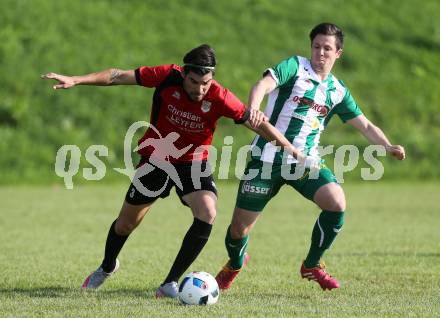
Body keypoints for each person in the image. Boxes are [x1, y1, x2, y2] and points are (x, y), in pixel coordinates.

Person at [41, 44, 311, 298]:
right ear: (184, 74)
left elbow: (258, 125)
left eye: (205, 83)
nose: (200, 89)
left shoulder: (221, 96)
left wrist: (292, 151)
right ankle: (107, 266)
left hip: (192, 164)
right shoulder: (166, 76)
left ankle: (169, 282)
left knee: (207, 212)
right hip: (156, 157)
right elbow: (116, 76)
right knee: (125, 224)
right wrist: (77, 79)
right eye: (194, 82)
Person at [215, 23, 406, 291]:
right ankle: (234, 264)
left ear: (338, 53)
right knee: (238, 231)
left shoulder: (338, 90)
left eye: (327, 48)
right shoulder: (295, 66)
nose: (320, 53)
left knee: (336, 202)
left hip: (305, 163)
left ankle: (312, 264)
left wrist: (387, 146)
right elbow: (263, 84)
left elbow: (365, 125)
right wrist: (255, 108)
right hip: (266, 160)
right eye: (316, 46)